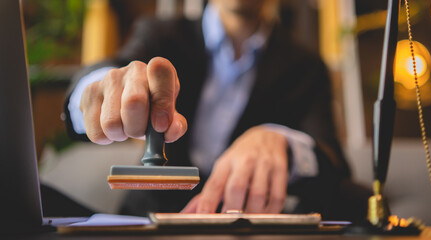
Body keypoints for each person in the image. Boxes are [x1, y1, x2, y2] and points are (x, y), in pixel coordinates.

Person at [64, 0, 369, 221]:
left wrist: (283, 143)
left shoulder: (307, 66)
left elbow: (334, 166)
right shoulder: (159, 35)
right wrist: (99, 89)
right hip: (149, 220)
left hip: (247, 227)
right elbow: (110, 72)